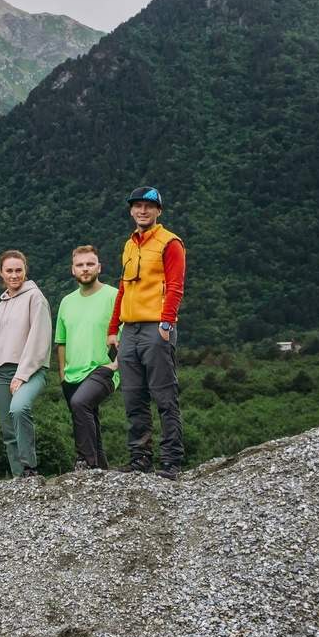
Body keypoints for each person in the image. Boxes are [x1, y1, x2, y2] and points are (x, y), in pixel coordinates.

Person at [107, 187, 186, 479]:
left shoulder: (170, 243)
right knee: (133, 397)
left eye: (149, 207)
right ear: (131, 211)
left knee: (165, 396)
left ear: (158, 212)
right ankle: (140, 459)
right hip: (130, 330)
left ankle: (171, 461)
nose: (143, 211)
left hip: (156, 328)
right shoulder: (130, 245)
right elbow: (124, 288)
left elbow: (176, 286)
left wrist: (166, 324)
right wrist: (113, 328)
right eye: (138, 206)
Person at [0, 251, 53, 478]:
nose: (14, 275)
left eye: (18, 270)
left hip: (29, 370)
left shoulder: (35, 297)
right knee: (8, 430)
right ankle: (18, 476)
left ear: (25, 270)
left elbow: (39, 339)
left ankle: (30, 468)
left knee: (19, 409)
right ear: (1, 273)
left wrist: (22, 375)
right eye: (9, 271)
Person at [55, 246, 120, 470]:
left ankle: (86, 462)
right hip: (72, 373)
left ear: (99, 268)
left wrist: (116, 365)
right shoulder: (66, 302)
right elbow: (61, 341)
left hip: (104, 368)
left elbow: (129, 330)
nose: (85, 269)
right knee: (87, 416)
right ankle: (102, 468)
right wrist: (62, 373)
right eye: (80, 265)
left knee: (80, 404)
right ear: (73, 270)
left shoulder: (113, 295)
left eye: (90, 264)